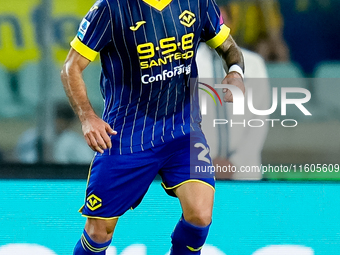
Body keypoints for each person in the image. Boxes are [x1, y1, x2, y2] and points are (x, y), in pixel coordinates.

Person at [61, 0, 245, 254]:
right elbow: (71, 67)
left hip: (182, 131)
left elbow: (229, 47)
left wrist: (235, 72)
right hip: (127, 136)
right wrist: (88, 117)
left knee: (200, 216)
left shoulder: (197, 3)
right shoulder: (110, 9)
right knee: (99, 231)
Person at [197, 44, 270, 180]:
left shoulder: (254, 63)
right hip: (197, 171)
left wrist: (236, 163)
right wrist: (205, 162)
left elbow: (260, 118)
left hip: (245, 172)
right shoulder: (187, 64)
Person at [15, 102, 93, 164]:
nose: (59, 123)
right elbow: (20, 157)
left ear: (69, 122)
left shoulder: (73, 141)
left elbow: (86, 161)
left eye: (63, 120)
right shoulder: (31, 136)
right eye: (57, 118)